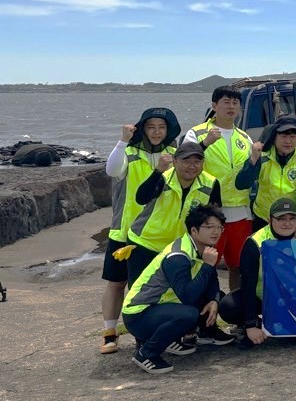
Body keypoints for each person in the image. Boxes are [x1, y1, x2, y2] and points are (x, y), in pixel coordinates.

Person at [99, 107, 180, 354]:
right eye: (151, 127)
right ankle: (109, 334)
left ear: (169, 130)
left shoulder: (175, 155)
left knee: (156, 286)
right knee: (117, 283)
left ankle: (152, 333)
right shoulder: (129, 153)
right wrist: (122, 141)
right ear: (142, 129)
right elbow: (111, 170)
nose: (156, 132)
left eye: (162, 127)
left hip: (157, 234)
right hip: (124, 233)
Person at [122, 204, 233, 374]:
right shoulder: (178, 256)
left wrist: (214, 300)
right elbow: (188, 296)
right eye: (209, 227)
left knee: (216, 297)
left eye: (219, 227)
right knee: (188, 314)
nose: (216, 232)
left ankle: (196, 335)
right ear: (194, 231)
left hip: (161, 307)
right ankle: (146, 353)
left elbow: (210, 281)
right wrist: (208, 265)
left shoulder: (203, 248)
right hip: (139, 314)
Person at [185, 86, 254, 293]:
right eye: (226, 102)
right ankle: (205, 315)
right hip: (209, 211)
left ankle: (236, 312)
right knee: (205, 265)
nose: (231, 107)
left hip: (241, 211)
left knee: (238, 266)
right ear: (214, 106)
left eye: (235, 103)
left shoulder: (245, 138)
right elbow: (186, 162)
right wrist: (205, 143)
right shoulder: (196, 133)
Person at [127, 141, 221, 286]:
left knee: (175, 293)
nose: (192, 166)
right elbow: (141, 198)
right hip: (146, 243)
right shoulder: (163, 177)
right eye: (186, 161)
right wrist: (158, 171)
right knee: (141, 292)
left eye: (197, 161)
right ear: (175, 161)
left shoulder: (211, 183)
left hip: (181, 249)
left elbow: (214, 218)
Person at [218, 197, 296, 346]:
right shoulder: (254, 243)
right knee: (228, 306)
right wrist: (251, 324)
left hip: (290, 299)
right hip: (262, 297)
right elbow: (248, 285)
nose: (287, 223)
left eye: (292, 219)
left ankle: (281, 321)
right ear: (269, 220)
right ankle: (257, 324)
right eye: (281, 219)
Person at [236, 116, 296, 241]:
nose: (288, 141)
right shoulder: (261, 154)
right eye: (283, 136)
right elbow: (241, 184)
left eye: (292, 137)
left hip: (290, 221)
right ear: (274, 137)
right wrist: (253, 160)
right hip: (263, 217)